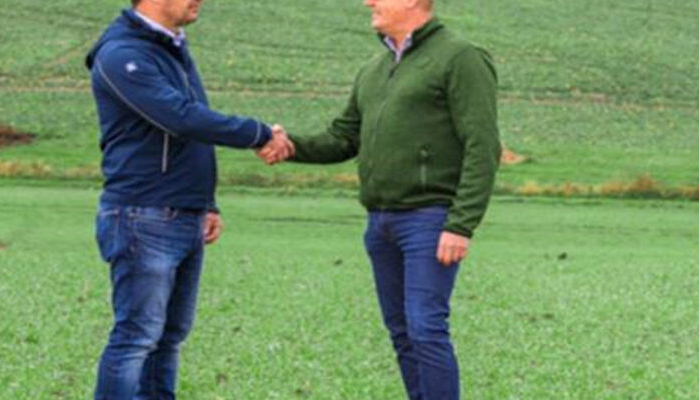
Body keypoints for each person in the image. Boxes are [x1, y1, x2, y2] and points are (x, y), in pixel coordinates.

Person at [259, 0, 500, 398]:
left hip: (429, 220)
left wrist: (461, 224)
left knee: (426, 327)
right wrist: (289, 146)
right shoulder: (373, 69)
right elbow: (342, 138)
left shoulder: (460, 58)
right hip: (380, 223)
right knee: (403, 333)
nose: (368, 2)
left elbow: (483, 145)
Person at [85, 0, 292, 398]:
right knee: (136, 337)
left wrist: (205, 203)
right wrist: (259, 133)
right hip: (143, 214)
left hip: (182, 213)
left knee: (168, 337)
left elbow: (192, 127)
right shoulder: (121, 54)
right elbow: (179, 117)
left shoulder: (171, 48)